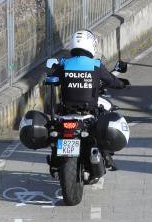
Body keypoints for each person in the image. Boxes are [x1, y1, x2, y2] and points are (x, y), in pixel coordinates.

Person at [50, 29, 129, 169]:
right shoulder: (95, 65)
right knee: (103, 122)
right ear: (91, 45)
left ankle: (55, 157)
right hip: (89, 109)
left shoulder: (64, 63)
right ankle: (106, 156)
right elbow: (111, 80)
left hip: (66, 110)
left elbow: (52, 78)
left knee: (55, 126)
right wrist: (122, 84)